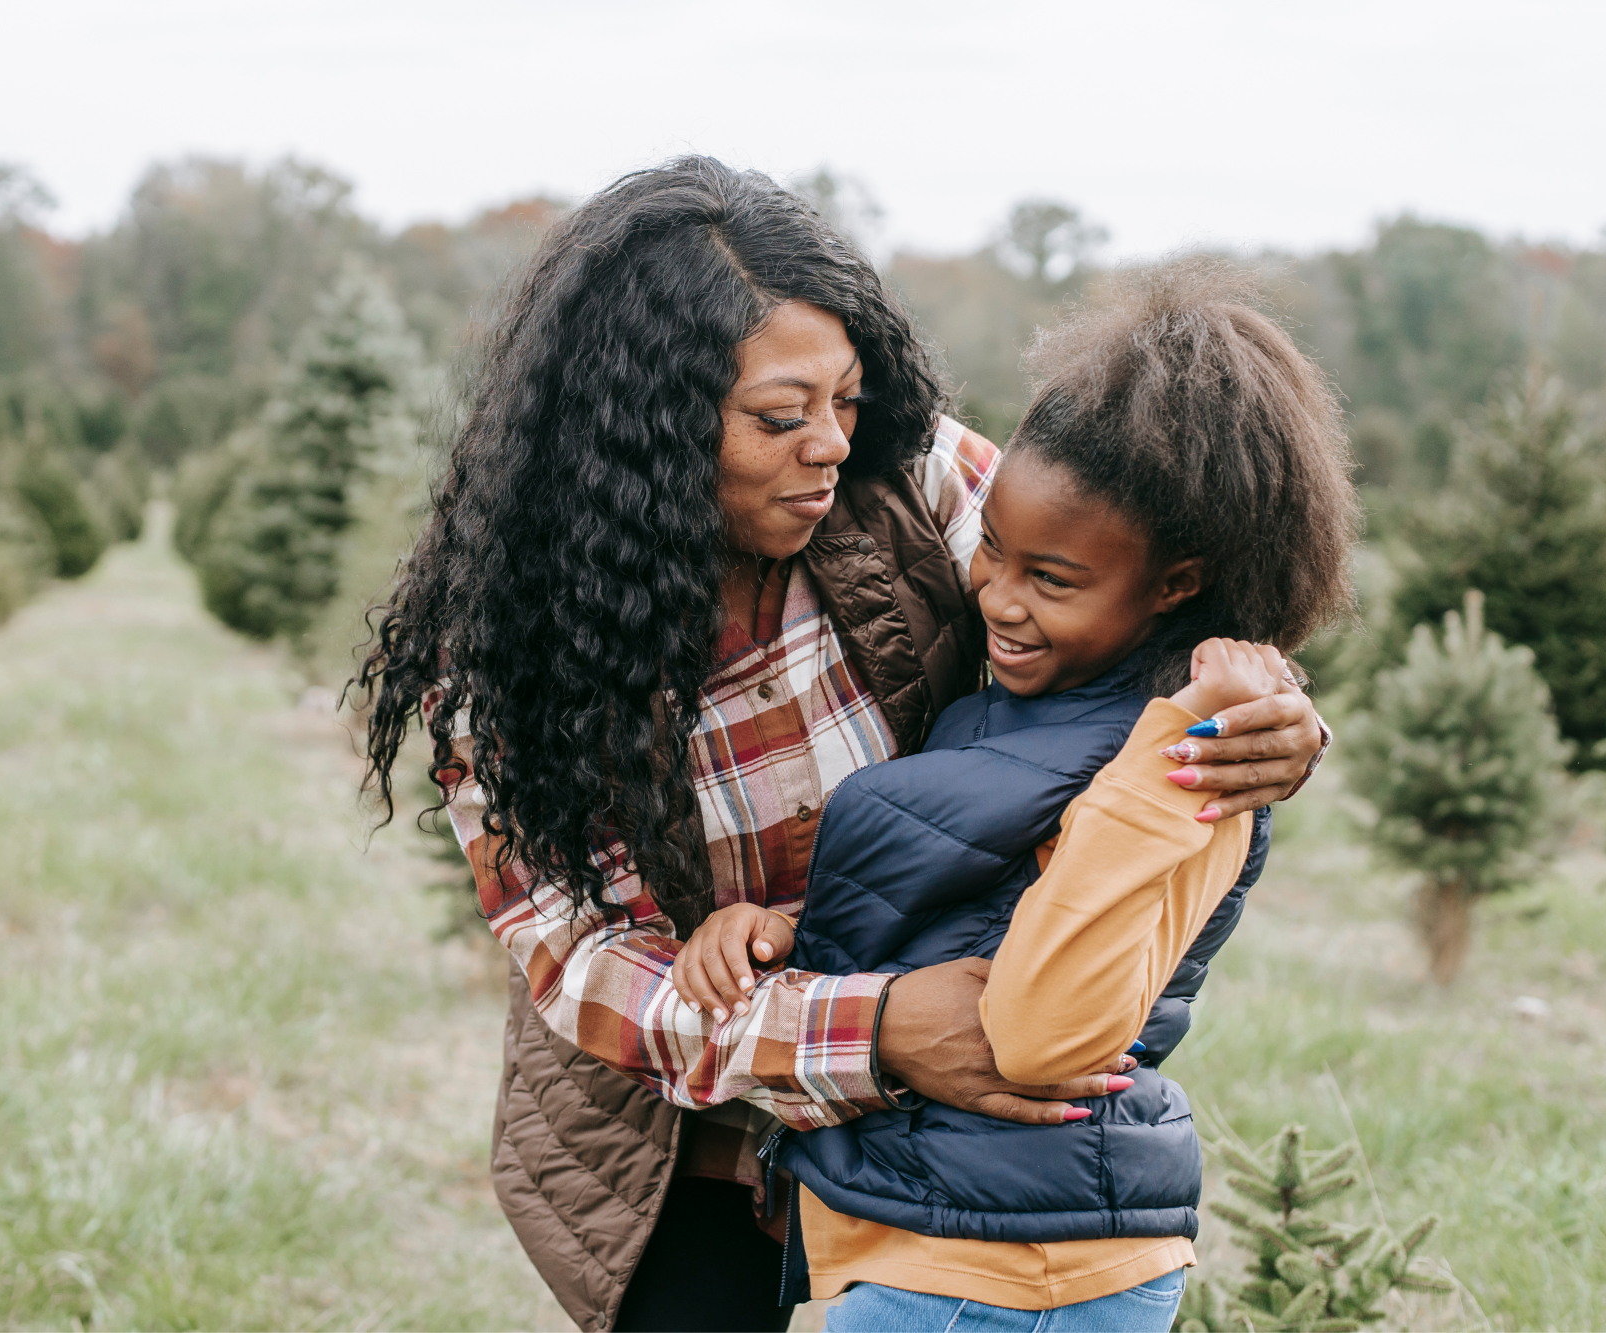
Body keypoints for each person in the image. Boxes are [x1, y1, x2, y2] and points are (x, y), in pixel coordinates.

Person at [355, 159, 1329, 1333]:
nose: (828, 444)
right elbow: (584, 966)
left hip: (940, 1160)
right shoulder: (504, 657)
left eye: (846, 401)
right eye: (778, 417)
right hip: (693, 1149)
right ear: (647, 433)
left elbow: (1140, 589)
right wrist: (880, 1029)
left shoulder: (909, 483)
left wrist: (1262, 707)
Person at [668, 265, 1359, 1332]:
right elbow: (974, 905)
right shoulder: (1018, 704)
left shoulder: (1187, 761)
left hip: (1009, 1267)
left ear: (1173, 584)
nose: (994, 593)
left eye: (1050, 579)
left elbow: (1041, 1031)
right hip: (937, 1242)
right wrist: (778, 933)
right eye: (989, 550)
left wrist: (1162, 761)